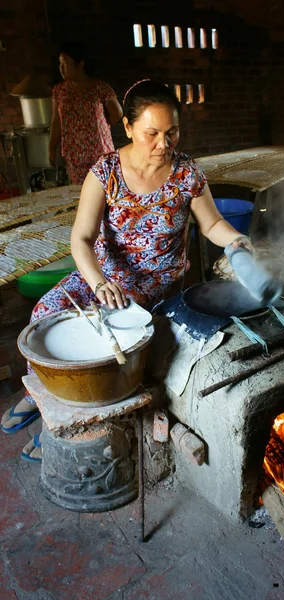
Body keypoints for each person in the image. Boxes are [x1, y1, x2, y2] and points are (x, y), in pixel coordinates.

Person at [1, 80, 253, 461]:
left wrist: (236, 240)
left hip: (159, 289)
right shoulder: (106, 173)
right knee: (44, 316)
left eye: (172, 133)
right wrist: (99, 282)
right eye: (152, 133)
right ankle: (37, 396)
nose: (163, 144)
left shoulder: (187, 174)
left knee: (111, 351)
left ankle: (73, 423)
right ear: (128, 127)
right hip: (102, 280)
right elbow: (81, 239)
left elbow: (211, 224)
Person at [49, 42, 123, 184]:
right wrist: (52, 148)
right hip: (74, 154)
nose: (62, 68)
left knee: (106, 189)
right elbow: (56, 121)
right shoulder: (59, 91)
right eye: (60, 64)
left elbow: (117, 113)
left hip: (99, 151)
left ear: (80, 64)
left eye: (65, 63)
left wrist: (98, 127)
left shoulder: (99, 88)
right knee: (81, 193)